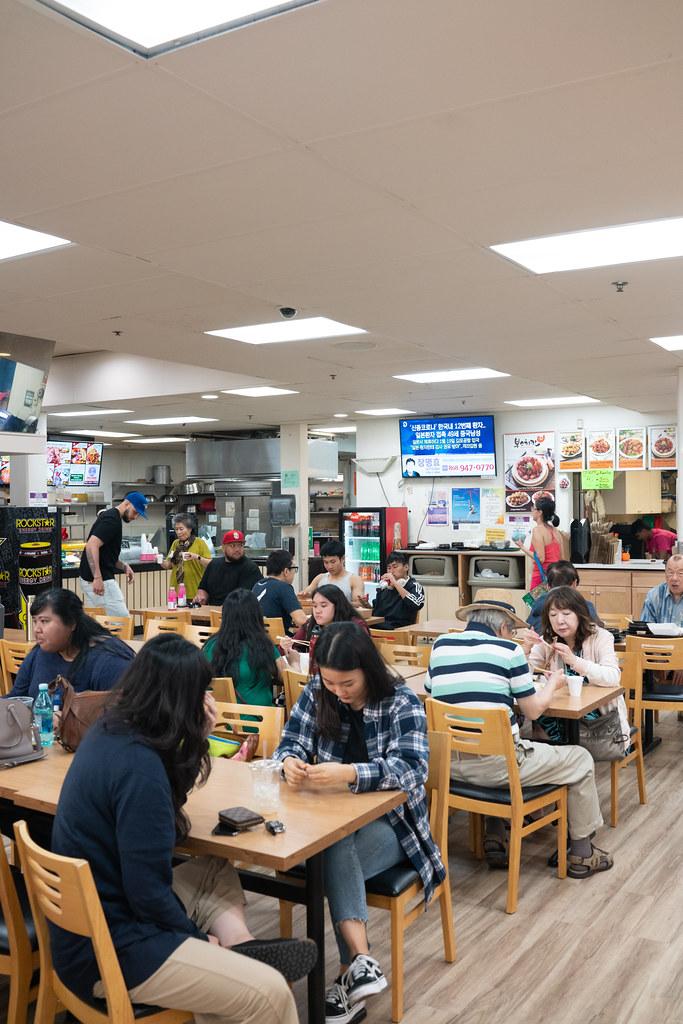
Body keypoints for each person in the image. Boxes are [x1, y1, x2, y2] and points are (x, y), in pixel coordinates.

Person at [49, 634, 316, 1024]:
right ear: (181, 699)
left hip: (91, 922)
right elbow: (149, 894)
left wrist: (196, 740)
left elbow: (161, 825)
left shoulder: (111, 731)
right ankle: (228, 959)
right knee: (271, 993)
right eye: (200, 691)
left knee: (213, 868)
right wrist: (194, 937)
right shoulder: (140, 772)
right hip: (111, 950)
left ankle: (241, 948)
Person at [274, 622, 445, 1024]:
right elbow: (290, 741)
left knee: (330, 851)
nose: (338, 692)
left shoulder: (401, 700)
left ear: (368, 669)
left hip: (398, 829)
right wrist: (290, 763)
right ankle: (362, 963)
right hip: (331, 824)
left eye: (346, 683)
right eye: (330, 682)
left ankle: (348, 972)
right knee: (332, 845)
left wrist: (350, 774)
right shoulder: (320, 692)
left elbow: (412, 769)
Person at [426, 599, 613, 880]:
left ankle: (494, 834)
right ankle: (583, 855)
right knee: (580, 758)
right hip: (496, 769)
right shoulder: (508, 650)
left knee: (493, 740)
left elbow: (433, 693)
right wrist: (553, 683)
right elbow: (534, 710)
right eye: (512, 631)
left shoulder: (441, 645)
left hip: (447, 766)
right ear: (503, 627)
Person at [528, 587, 628, 747]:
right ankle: (564, 754)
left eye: (566, 614)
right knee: (535, 710)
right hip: (561, 710)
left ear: (580, 614)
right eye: (553, 615)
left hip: (599, 719)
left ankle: (569, 754)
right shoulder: (548, 640)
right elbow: (524, 673)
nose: (559, 620)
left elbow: (613, 676)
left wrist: (574, 661)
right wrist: (525, 651)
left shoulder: (601, 637)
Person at [9, 588, 134, 699]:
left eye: (44, 621)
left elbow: (122, 717)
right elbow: (16, 699)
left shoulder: (109, 661)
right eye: (35, 621)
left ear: (72, 623)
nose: (37, 629)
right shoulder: (40, 653)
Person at [202, 590, 284, 706]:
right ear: (256, 616)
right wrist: (293, 661)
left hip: (220, 720)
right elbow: (283, 677)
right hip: (261, 720)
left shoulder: (210, 646)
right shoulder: (263, 645)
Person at [79, 491, 148, 616]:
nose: (135, 517)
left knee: (97, 625)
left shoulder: (111, 517)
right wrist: (97, 577)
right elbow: (91, 546)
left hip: (89, 578)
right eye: (135, 512)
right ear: (127, 503)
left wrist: (124, 566)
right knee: (122, 623)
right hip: (101, 579)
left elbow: (106, 554)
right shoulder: (112, 520)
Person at [281, 584, 369, 676]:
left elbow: (361, 658)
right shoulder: (312, 623)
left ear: (337, 605)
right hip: (318, 677)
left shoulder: (354, 625)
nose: (317, 611)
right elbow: (295, 644)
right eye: (314, 606)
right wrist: (286, 647)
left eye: (323, 606)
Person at [526, 560, 600, 633]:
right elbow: (596, 631)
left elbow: (529, 626)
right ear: (575, 583)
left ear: (548, 586)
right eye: (554, 614)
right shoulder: (586, 606)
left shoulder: (537, 603)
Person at [195, 530, 261, 607]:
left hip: (237, 613)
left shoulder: (250, 567)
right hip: (211, 612)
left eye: (240, 545)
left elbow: (243, 598)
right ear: (223, 548)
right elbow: (203, 588)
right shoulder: (213, 564)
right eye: (233, 545)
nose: (237, 549)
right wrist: (201, 597)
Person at [361, 551, 425, 630]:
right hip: (378, 629)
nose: (391, 571)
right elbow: (376, 614)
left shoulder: (414, 586)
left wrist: (395, 583)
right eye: (389, 568)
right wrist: (366, 605)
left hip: (400, 630)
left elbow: (416, 604)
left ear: (406, 567)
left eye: (395, 567)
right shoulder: (384, 587)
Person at [252, 549, 307, 634]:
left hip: (256, 637)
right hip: (277, 642)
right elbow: (301, 620)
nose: (294, 573)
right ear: (286, 571)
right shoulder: (284, 587)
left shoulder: (258, 585)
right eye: (294, 568)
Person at [161, 514, 213, 602]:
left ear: (190, 529)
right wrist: (159, 560)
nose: (178, 532)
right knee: (174, 615)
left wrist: (196, 557)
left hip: (194, 591)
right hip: (175, 591)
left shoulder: (199, 543)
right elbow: (168, 565)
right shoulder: (175, 544)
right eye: (176, 529)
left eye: (181, 529)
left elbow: (210, 564)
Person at [515, 496, 562, 590]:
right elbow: (562, 558)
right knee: (552, 604)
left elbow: (540, 558)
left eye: (533, 508)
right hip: (556, 577)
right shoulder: (556, 531)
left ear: (540, 512)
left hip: (541, 578)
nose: (532, 510)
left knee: (534, 604)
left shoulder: (537, 530)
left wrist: (522, 547)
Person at [300, 540, 364, 605]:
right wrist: (304, 595)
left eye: (333, 562)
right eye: (326, 562)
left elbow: (358, 604)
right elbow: (306, 594)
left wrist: (334, 604)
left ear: (342, 558)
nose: (329, 566)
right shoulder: (320, 578)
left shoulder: (354, 580)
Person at [641, 553, 683, 625]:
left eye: (680, 573)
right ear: (665, 573)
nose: (674, 578)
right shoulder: (654, 596)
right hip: (659, 636)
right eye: (670, 573)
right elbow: (645, 629)